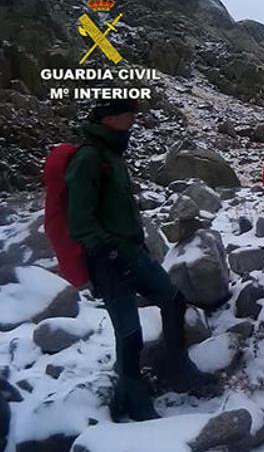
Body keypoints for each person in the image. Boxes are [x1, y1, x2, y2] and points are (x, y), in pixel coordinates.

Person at [65, 98, 215, 421]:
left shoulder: (112, 154)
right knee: (129, 331)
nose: (134, 119)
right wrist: (109, 250)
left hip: (133, 252)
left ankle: (178, 366)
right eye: (128, 114)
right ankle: (131, 398)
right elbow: (79, 220)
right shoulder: (89, 157)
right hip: (108, 259)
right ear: (110, 119)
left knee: (173, 300)